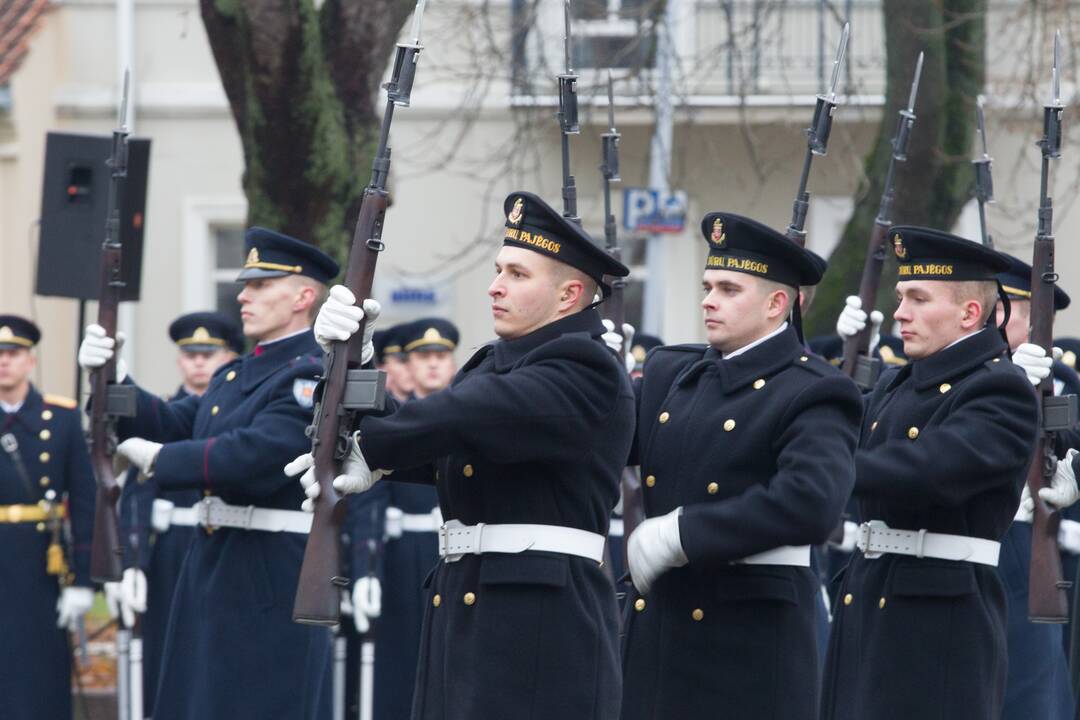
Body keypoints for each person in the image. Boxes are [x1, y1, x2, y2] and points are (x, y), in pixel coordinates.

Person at [289, 190, 635, 719]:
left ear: (569, 295)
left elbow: (465, 415)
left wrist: (372, 447)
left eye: (517, 275)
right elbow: (444, 447)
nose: (495, 286)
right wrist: (351, 366)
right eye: (498, 270)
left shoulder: (584, 365)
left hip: (540, 624)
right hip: (467, 605)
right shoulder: (499, 362)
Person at [78, 227, 367, 719]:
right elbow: (176, 423)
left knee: (253, 702)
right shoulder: (235, 374)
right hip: (215, 566)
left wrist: (159, 460)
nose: (243, 295)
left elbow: (255, 456)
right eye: (245, 283)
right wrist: (115, 380)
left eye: (259, 285)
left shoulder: (313, 374)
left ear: (303, 295)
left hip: (268, 573)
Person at [617, 213, 862, 719]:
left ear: (777, 304)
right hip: (663, 633)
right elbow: (599, 444)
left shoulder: (814, 389)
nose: (709, 299)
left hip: (749, 643)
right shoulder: (673, 374)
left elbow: (811, 503)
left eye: (729, 289)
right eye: (708, 286)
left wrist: (683, 533)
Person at [821, 226, 1044, 720]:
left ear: (969, 313)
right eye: (902, 297)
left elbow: (932, 468)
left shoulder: (1000, 389)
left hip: (938, 620)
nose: (900, 312)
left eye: (918, 299)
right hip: (869, 597)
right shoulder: (896, 384)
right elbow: (824, 425)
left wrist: (826, 471)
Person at [341, 318, 454, 720]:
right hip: (405, 553)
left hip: (454, 549)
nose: (434, 366)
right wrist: (366, 567)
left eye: (442, 356)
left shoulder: (467, 412)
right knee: (399, 660)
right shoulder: (405, 417)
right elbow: (373, 494)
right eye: (424, 357)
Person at [0, 315, 95, 720]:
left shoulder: (62, 418)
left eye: (14, 352)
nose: (4, 361)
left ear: (30, 361)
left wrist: (84, 580)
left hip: (41, 562)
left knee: (38, 671)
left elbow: (86, 499)